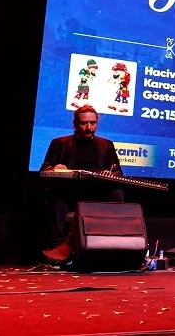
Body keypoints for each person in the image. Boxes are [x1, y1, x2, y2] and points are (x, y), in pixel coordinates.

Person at [40, 105, 124, 254]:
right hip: (69, 192)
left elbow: (118, 172)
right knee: (58, 194)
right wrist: (54, 168)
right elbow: (45, 169)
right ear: (75, 124)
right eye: (84, 123)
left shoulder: (106, 145)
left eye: (93, 123)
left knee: (117, 193)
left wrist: (110, 174)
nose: (89, 127)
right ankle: (56, 246)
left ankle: (113, 241)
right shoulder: (59, 143)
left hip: (97, 192)